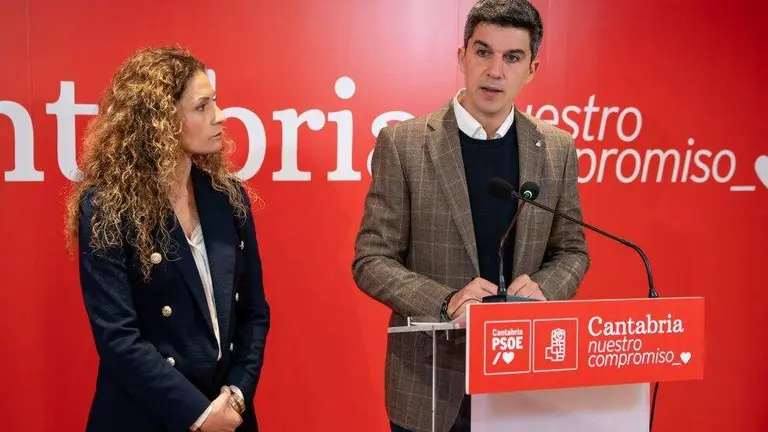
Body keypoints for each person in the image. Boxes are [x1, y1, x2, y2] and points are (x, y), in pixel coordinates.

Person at [351, 0, 590, 431]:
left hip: (523, 381)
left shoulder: (557, 149)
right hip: (429, 386)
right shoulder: (403, 144)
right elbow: (372, 260)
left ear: (532, 69)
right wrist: (446, 303)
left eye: (512, 57)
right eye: (483, 52)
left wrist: (544, 292)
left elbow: (572, 250)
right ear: (462, 57)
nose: (495, 70)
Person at [65, 46, 270, 432]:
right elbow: (118, 339)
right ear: (159, 120)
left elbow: (254, 311)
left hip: (229, 415)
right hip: (147, 415)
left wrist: (238, 395)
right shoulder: (107, 206)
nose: (220, 116)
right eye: (202, 106)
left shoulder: (228, 197)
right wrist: (200, 414)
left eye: (216, 103)